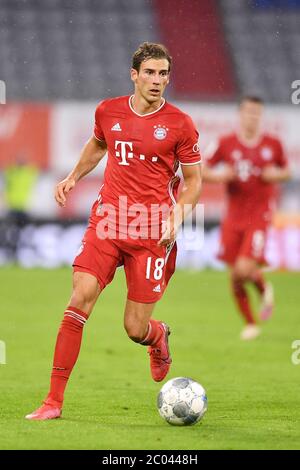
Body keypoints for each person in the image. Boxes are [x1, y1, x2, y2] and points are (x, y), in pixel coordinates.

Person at [25, 42, 202, 420]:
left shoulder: (180, 124)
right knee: (80, 297)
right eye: (150, 73)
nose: (157, 80)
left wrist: (177, 218)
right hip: (107, 222)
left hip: (153, 233)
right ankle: (53, 401)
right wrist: (73, 176)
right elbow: (98, 144)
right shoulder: (108, 111)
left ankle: (157, 336)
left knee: (134, 328)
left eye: (163, 73)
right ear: (134, 75)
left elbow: (194, 181)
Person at [203, 96, 290, 340]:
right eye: (249, 112)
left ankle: (261, 289)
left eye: (256, 113)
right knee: (236, 274)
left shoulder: (273, 145)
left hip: (259, 217)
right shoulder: (225, 143)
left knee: (242, 270)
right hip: (233, 217)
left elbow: (287, 170)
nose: (252, 117)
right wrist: (220, 176)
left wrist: (276, 174)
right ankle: (251, 321)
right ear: (240, 114)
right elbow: (202, 169)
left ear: (260, 116)